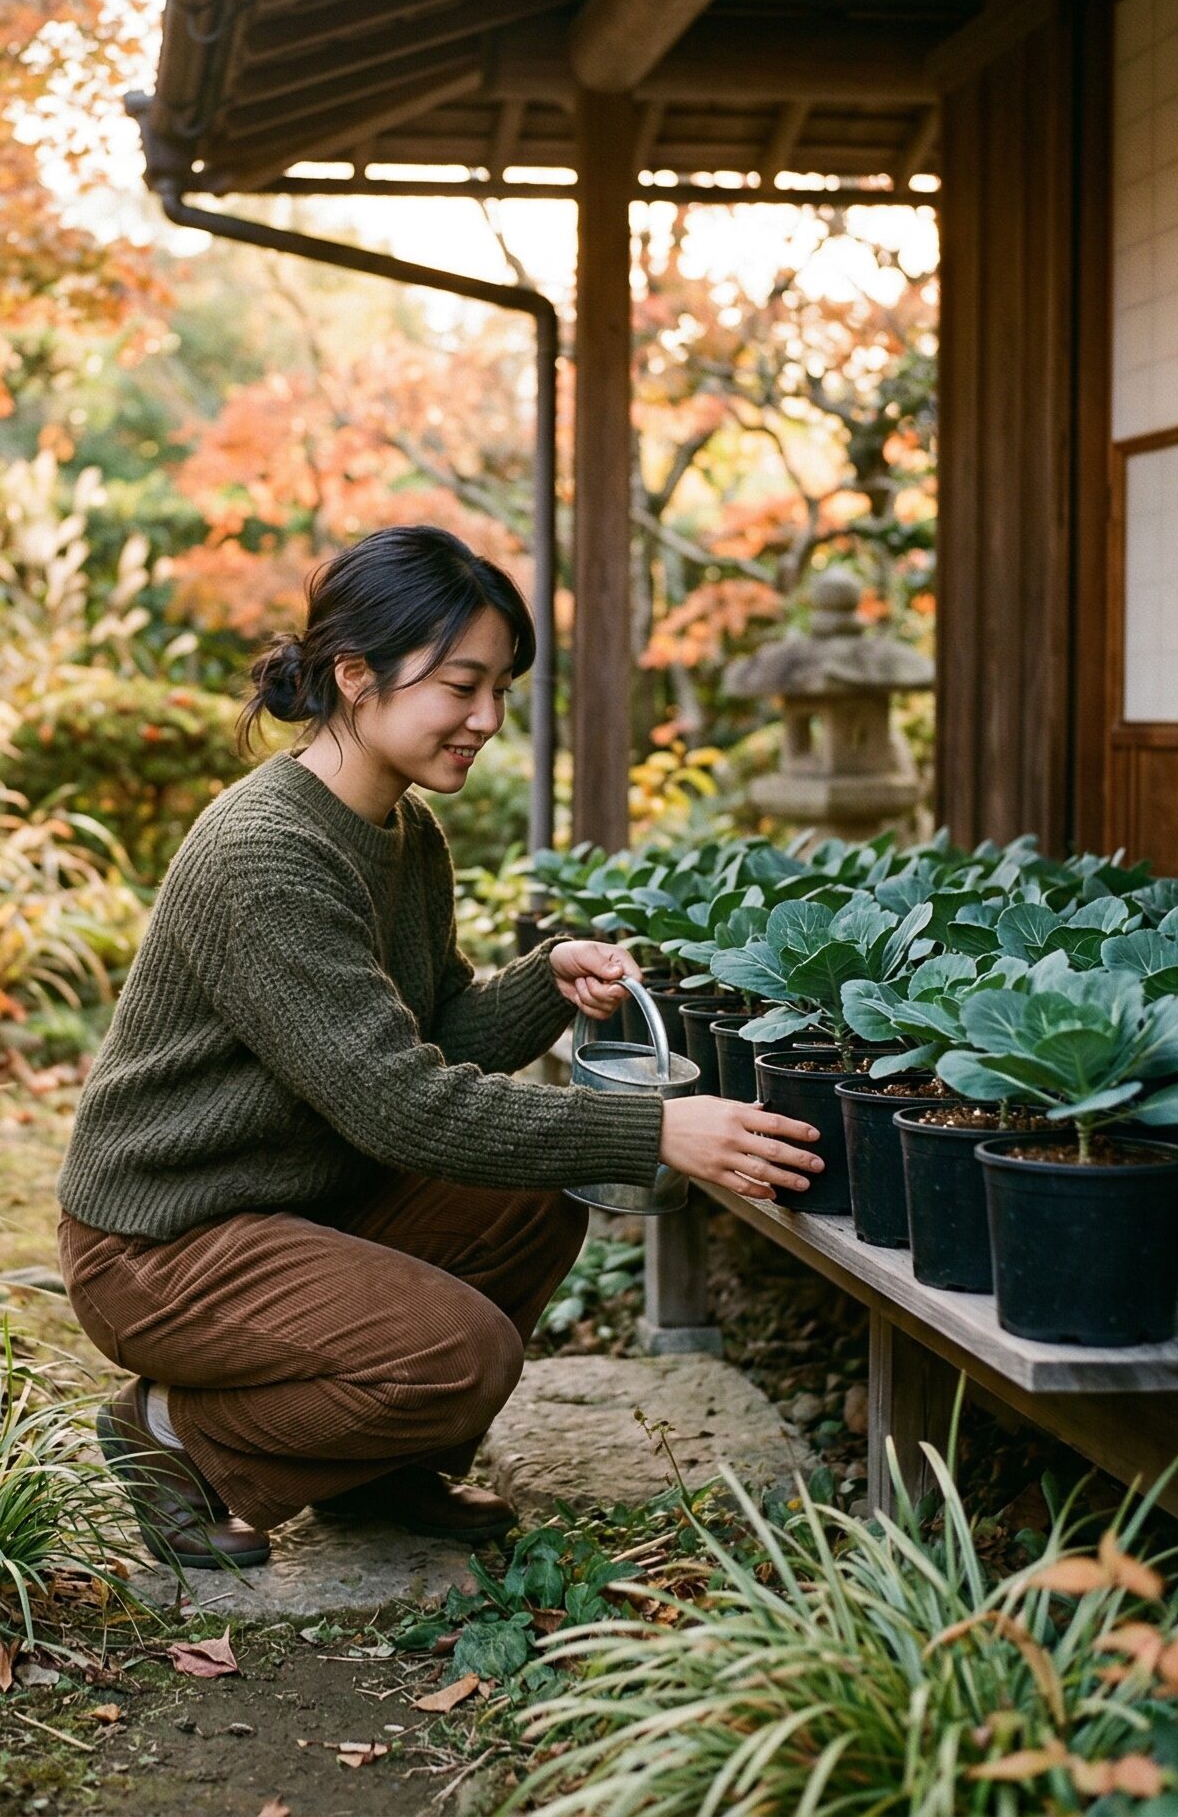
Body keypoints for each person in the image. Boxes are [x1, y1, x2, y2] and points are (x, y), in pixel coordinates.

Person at [55, 525, 822, 1567]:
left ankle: (378, 1470)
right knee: (459, 1355)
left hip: (292, 1203)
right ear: (355, 672)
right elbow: (398, 1102)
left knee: (536, 1190)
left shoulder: (403, 832)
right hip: (165, 1238)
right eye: (461, 684)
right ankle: (177, 1436)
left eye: (500, 688)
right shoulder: (264, 856)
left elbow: (429, 1023)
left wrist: (541, 982)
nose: (487, 719)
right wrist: (651, 1127)